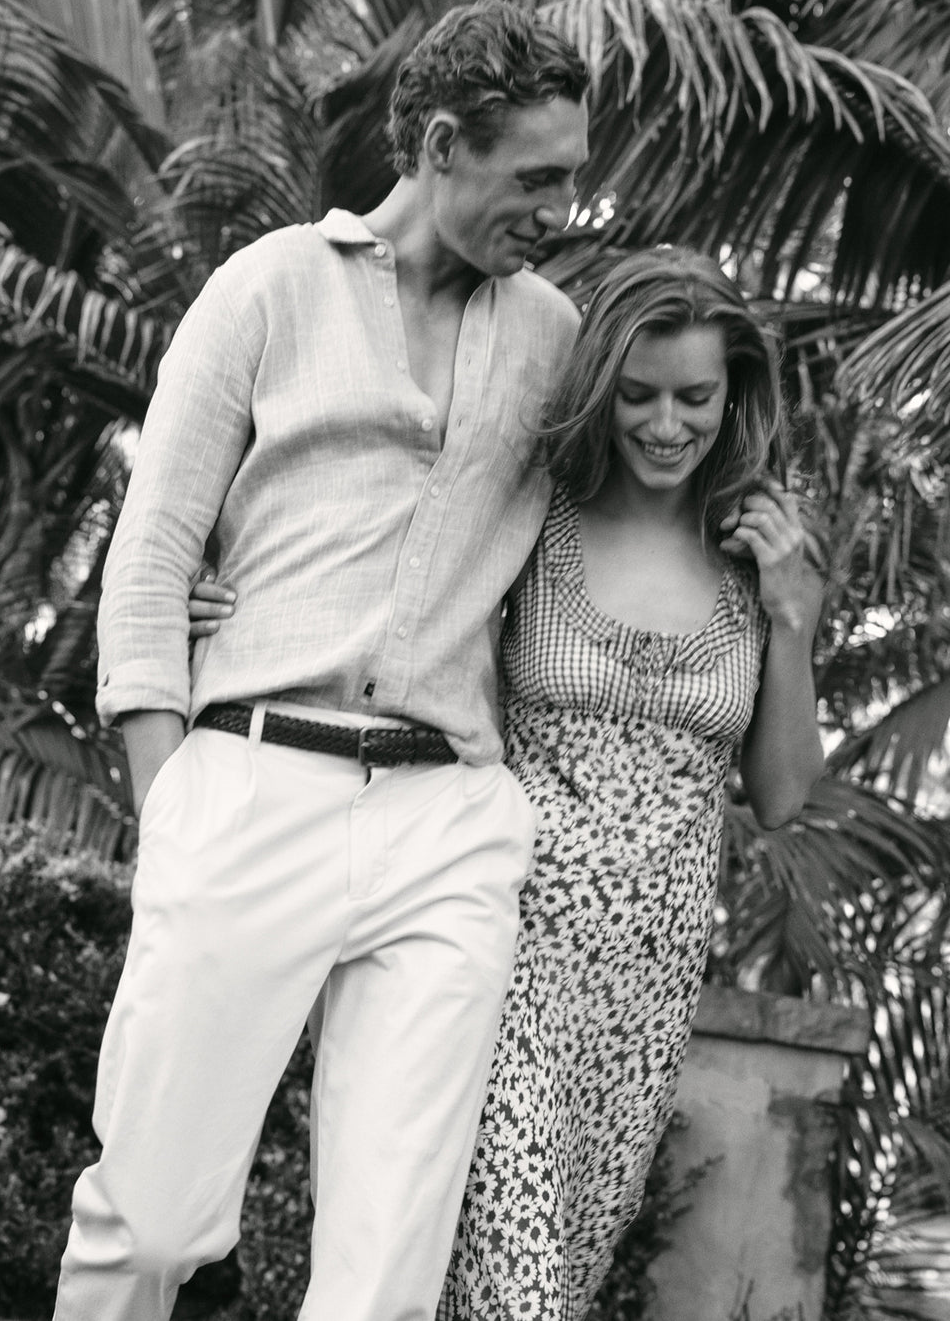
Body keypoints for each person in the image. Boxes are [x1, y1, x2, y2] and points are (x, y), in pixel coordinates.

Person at [52, 0, 589, 1321]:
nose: (561, 206)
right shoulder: (272, 287)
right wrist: (170, 794)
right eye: (538, 175)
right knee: (156, 1224)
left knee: (385, 1271)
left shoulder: (556, 335)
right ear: (443, 145)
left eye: (572, 175)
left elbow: (642, 482)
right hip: (253, 784)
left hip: (447, 819)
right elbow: (156, 547)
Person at [192, 245, 825, 1320]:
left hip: (650, 980)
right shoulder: (537, 516)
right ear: (600, 389)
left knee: (534, 1280)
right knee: (512, 1283)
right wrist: (235, 605)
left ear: (737, 393)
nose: (666, 424)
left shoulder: (758, 558)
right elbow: (387, 591)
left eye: (695, 397)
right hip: (504, 939)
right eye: (636, 395)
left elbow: (780, 796)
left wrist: (793, 621)